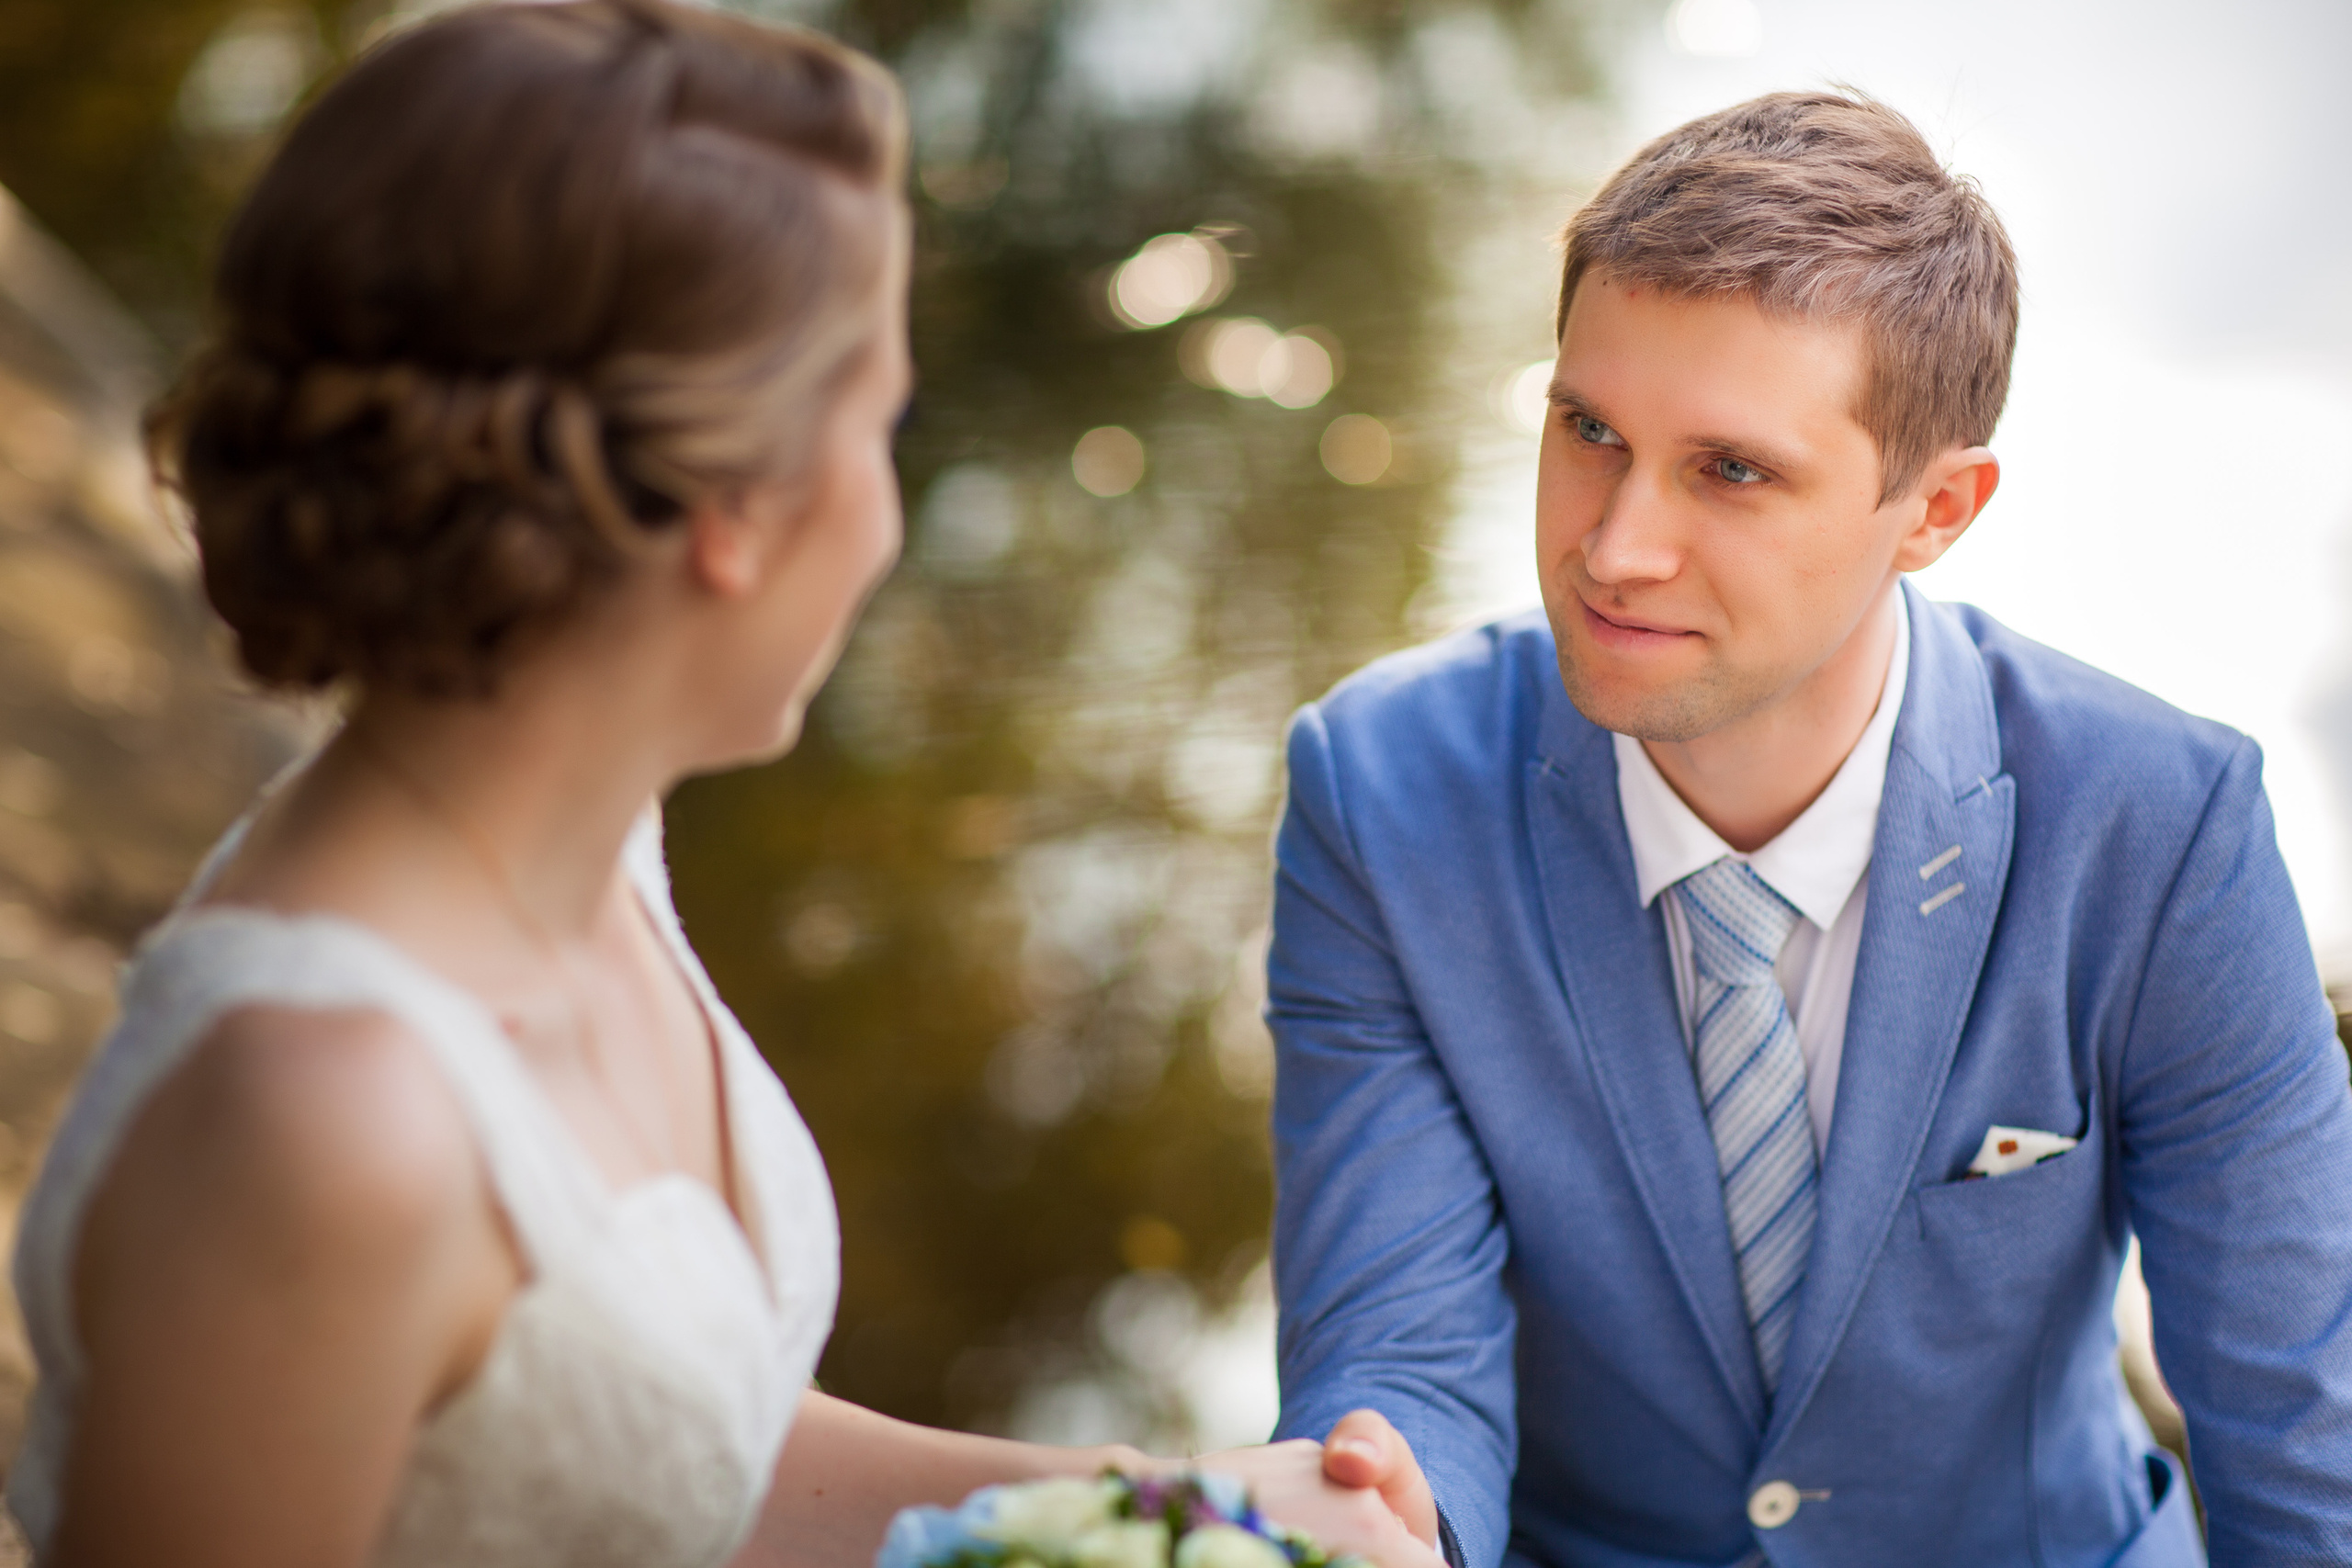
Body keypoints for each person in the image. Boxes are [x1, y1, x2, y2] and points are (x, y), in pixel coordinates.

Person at [4, 5, 1443, 1565]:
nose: (890, 515)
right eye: (880, 424)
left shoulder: (589, 838)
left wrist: (1167, 1509)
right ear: (732, 518)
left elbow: (640, 1455)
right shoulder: (320, 1125)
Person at [1264, 89, 2352, 1568]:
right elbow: (1397, 1355)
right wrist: (1378, 1513)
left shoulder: (2163, 833)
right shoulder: (1378, 792)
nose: (1614, 548)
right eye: (1590, 431)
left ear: (1937, 509)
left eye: (1731, 470)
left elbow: (2301, 1441)